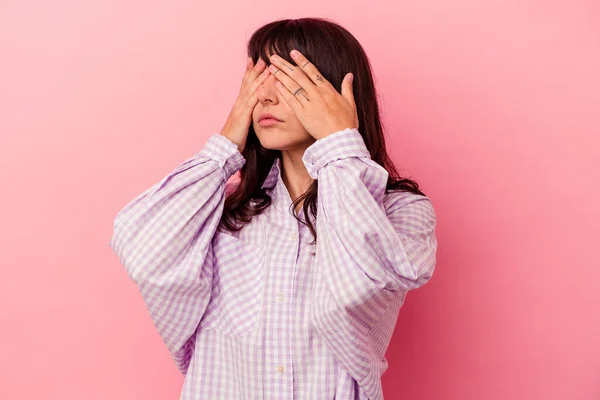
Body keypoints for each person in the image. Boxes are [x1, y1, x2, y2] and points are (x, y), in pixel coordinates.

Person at [109, 17, 438, 400]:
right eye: (257, 79)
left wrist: (338, 142)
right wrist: (225, 146)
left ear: (333, 90)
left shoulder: (398, 212)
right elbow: (142, 253)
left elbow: (351, 296)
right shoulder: (224, 210)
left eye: (284, 77)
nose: (264, 96)